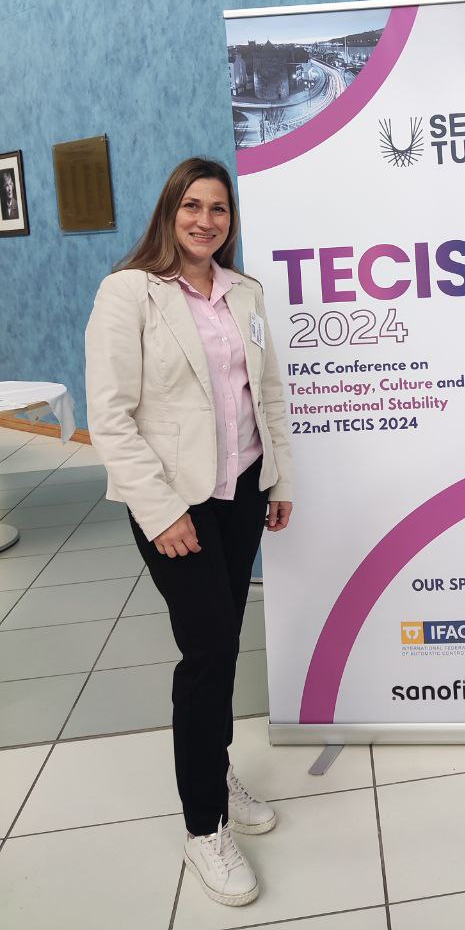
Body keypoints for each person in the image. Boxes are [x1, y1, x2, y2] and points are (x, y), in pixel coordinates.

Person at [85, 157, 294, 908]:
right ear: (169, 212)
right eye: (192, 206)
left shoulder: (246, 292)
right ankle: (204, 825)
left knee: (224, 640)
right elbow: (110, 416)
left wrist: (279, 480)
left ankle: (215, 764)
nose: (206, 221)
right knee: (206, 651)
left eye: (219, 209)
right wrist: (162, 511)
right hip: (176, 502)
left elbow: (268, 393)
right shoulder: (129, 292)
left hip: (242, 492)